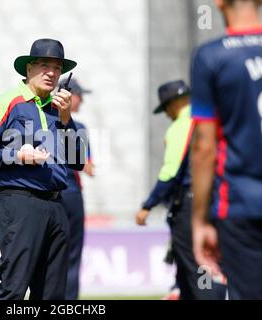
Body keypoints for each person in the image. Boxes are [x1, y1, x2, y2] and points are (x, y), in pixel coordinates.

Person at [0, 38, 85, 300]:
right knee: (13, 290)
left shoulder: (57, 109)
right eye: (44, 65)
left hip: (56, 205)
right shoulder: (9, 101)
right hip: (19, 202)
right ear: (28, 69)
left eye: (57, 68)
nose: (52, 73)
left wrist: (66, 120)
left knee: (52, 295)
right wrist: (16, 155)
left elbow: (78, 160)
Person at [191, 0, 262, 299]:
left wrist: (200, 220)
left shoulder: (211, 56)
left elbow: (205, 146)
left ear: (218, 3)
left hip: (239, 205)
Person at [135, 80, 224, 299]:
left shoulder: (181, 126)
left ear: (174, 104)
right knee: (191, 269)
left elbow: (170, 172)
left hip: (190, 206)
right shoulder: (211, 121)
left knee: (198, 268)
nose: (166, 114)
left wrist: (148, 205)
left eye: (165, 108)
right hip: (214, 200)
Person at [58, 78, 94, 300]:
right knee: (71, 254)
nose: (82, 101)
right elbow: (85, 165)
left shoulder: (43, 120)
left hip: (46, 194)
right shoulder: (78, 127)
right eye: (81, 96)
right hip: (70, 194)